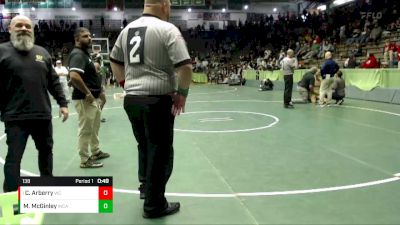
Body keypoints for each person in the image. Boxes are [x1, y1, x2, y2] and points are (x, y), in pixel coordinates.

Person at [109, 0, 192, 219]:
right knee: (161, 152)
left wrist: (124, 83)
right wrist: (182, 94)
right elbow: (185, 66)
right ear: (165, 5)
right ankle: (154, 205)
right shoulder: (167, 29)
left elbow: (113, 60)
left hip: (132, 100)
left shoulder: (127, 30)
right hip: (157, 100)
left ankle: (146, 188)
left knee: (144, 145)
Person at [0, 15, 69, 192]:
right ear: (10, 29)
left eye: (27, 26)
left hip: (42, 115)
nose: (24, 28)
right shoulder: (1, 51)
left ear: (32, 30)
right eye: (19, 26)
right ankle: (11, 198)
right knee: (14, 159)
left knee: (46, 153)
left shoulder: (42, 53)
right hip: (15, 117)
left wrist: (63, 103)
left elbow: (53, 81)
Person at [68, 27, 109, 169]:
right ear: (77, 39)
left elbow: (90, 76)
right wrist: (88, 93)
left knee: (94, 127)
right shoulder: (78, 54)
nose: (89, 38)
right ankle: (85, 160)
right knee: (86, 129)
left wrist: (100, 92)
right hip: (84, 99)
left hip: (93, 98)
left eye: (90, 36)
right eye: (85, 36)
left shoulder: (85, 54)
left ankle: (95, 151)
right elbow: (74, 76)